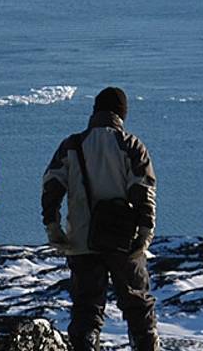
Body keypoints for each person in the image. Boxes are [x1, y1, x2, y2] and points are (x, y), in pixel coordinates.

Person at [41, 86, 158, 351]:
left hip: (82, 241)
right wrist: (145, 232)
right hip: (123, 242)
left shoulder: (71, 145)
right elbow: (144, 191)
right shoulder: (131, 146)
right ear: (121, 114)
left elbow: (51, 187)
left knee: (86, 311)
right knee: (138, 308)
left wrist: (53, 226)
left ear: (95, 111)